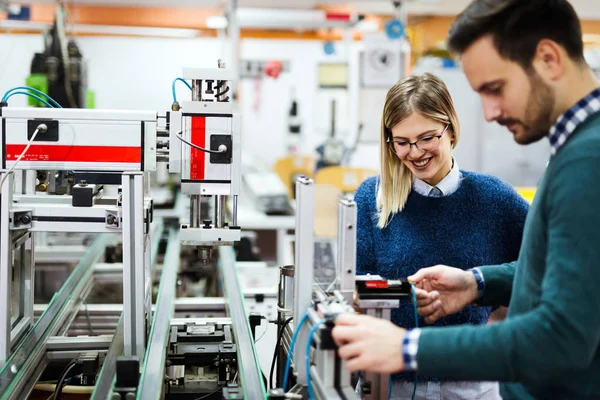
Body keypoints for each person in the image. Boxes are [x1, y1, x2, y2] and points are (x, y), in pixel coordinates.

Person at [332, 1, 600, 399]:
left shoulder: (586, 160)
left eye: (496, 88)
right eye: (403, 141)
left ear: (548, 58)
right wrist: (477, 282)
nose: (489, 113)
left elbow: (561, 337)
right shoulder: (574, 154)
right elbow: (548, 273)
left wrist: (408, 348)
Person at [353, 72, 529, 399]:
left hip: (473, 384)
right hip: (392, 384)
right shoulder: (370, 199)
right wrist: (401, 294)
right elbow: (353, 287)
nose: (415, 152)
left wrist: (478, 289)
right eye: (402, 142)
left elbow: (542, 272)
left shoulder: (496, 200)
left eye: (427, 137)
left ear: (450, 129)